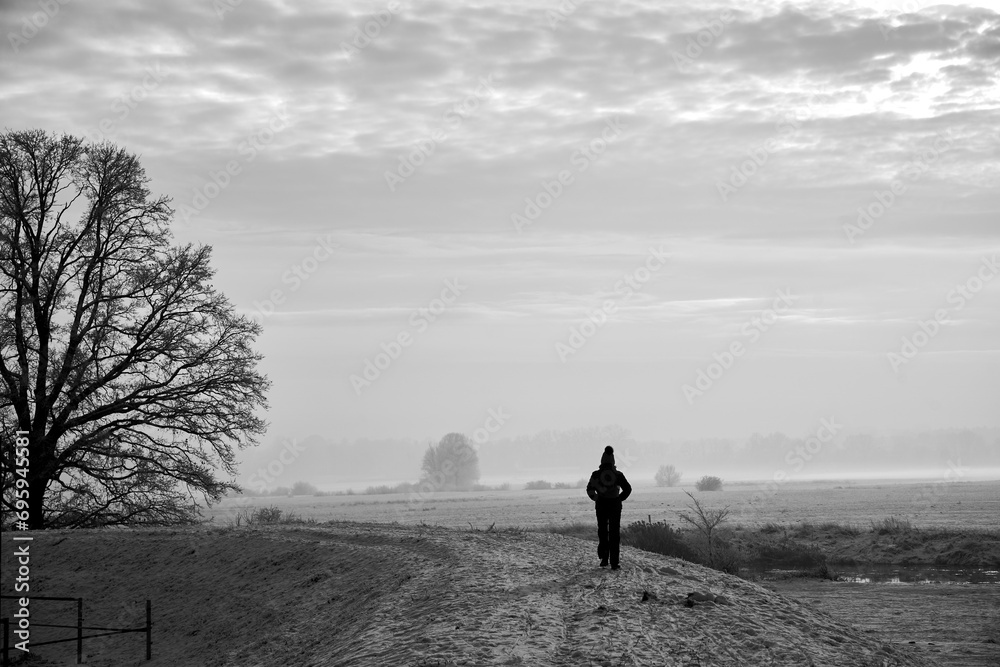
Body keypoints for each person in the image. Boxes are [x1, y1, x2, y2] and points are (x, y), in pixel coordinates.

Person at [586, 445, 631, 570]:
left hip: (601, 505)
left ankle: (604, 559)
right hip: (615, 506)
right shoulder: (618, 475)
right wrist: (619, 499)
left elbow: (590, 489)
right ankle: (614, 563)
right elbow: (628, 489)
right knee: (614, 533)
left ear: (602, 460)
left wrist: (596, 498)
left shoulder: (596, 474)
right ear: (613, 460)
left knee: (602, 532)